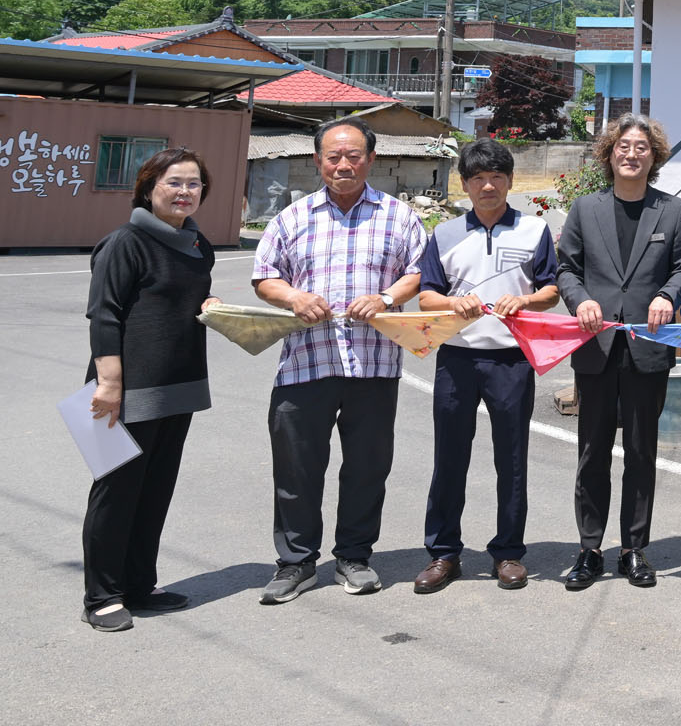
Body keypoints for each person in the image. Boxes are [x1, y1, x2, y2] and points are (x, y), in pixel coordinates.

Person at [251, 118, 428, 604]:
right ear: (318, 161)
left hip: (374, 365)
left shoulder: (399, 216)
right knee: (296, 469)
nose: (343, 165)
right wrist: (293, 297)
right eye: (333, 156)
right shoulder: (292, 217)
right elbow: (264, 275)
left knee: (368, 468)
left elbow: (419, 272)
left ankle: (354, 556)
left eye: (353, 156)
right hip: (305, 362)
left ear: (370, 159)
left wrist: (386, 298)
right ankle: (296, 562)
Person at [79, 148, 224, 631]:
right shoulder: (125, 242)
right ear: (148, 188)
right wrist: (109, 384)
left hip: (178, 386)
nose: (185, 192)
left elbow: (180, 298)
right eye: (174, 182)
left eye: (194, 184)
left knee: (155, 491)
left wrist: (210, 302)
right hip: (124, 390)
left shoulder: (198, 244)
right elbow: (104, 314)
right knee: (116, 493)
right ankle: (102, 596)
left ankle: (140, 584)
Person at [409, 138, 560, 594]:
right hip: (457, 357)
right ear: (465, 184)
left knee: (511, 459)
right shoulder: (445, 233)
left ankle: (509, 553)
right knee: (449, 458)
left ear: (511, 181)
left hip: (512, 359)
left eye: (497, 177)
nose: (488, 186)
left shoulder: (535, 230)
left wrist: (526, 300)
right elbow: (427, 296)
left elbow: (551, 290)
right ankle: (443, 553)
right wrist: (453, 303)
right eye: (478, 178)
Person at [556, 114, 681, 590]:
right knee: (592, 452)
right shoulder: (585, 209)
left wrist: (668, 296)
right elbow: (567, 269)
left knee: (641, 452)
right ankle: (589, 549)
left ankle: (634, 548)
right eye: (623, 146)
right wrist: (580, 300)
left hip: (646, 348)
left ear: (654, 156)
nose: (631, 154)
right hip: (595, 347)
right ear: (609, 153)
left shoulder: (673, 210)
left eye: (641, 147)